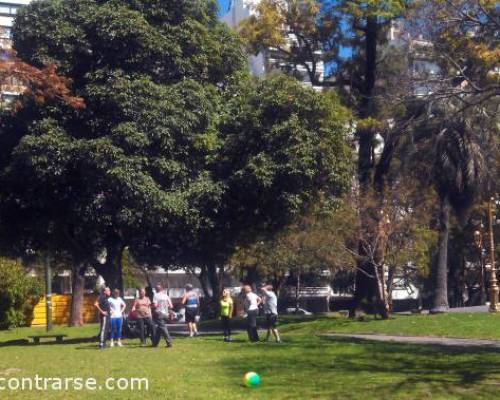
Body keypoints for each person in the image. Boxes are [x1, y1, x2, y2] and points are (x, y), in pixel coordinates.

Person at [152, 283, 173, 348]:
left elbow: (155, 305)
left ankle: (169, 342)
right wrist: (170, 313)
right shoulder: (166, 295)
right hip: (165, 314)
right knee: (159, 329)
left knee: (163, 328)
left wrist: (151, 306)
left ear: (156, 289)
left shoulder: (155, 295)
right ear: (162, 289)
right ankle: (155, 343)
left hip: (159, 313)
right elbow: (171, 305)